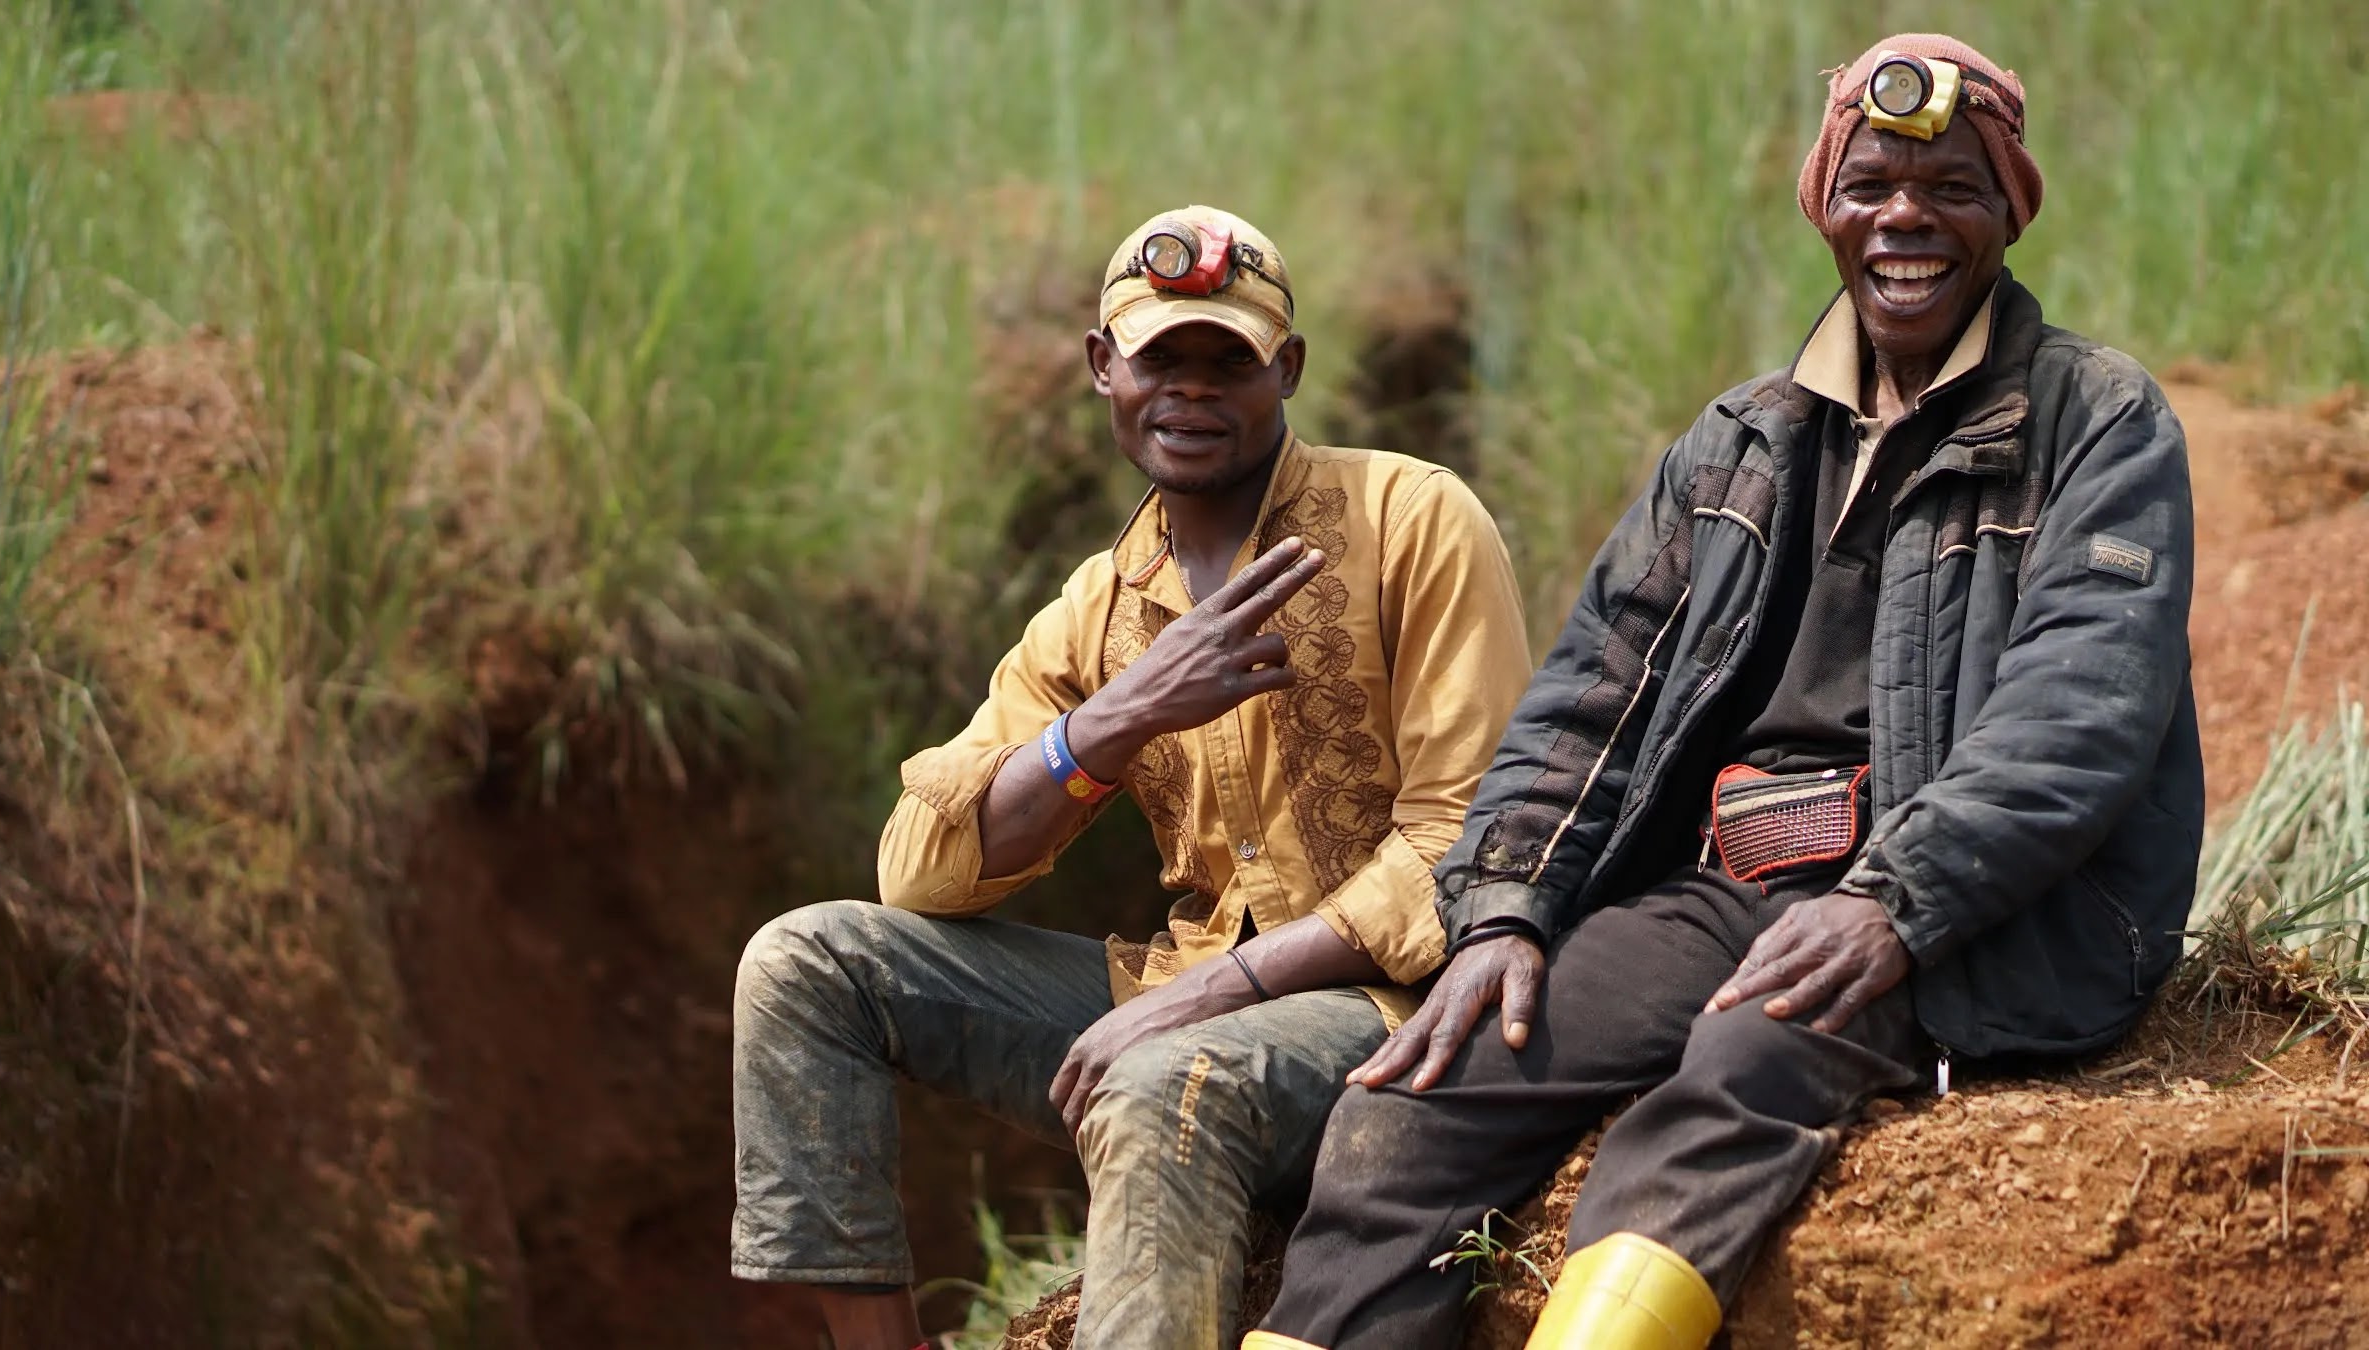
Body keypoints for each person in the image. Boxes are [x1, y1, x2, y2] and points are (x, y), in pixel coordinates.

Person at [1247, 34, 2201, 1350]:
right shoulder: (1740, 437)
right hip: (1726, 886)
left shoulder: (2098, 419)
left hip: (1969, 911)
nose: (1905, 218)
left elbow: (2080, 710)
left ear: (2009, 208)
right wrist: (1509, 906)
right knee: (1416, 1097)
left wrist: (1899, 899)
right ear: (1825, 203)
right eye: (1870, 186)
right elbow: (1592, 691)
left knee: (1742, 1063)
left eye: (1953, 188)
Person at [731, 204, 1532, 1350]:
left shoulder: (1413, 518)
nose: (1192, 391)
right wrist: (1109, 724)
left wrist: (1210, 993)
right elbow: (917, 869)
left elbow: (1463, 847)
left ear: (1288, 370)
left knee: (1168, 1082)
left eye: (1230, 361)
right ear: (1104, 368)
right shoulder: (1098, 608)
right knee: (806, 964)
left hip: (1392, 1014)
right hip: (1176, 997)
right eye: (1161, 357)